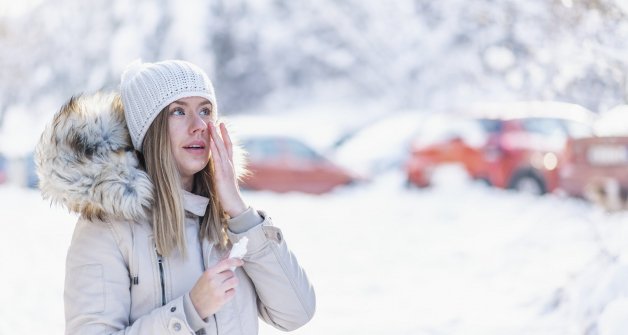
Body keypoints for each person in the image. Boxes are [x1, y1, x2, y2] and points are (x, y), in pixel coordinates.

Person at [36, 60, 316, 334]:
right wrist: (189, 311)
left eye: (205, 111)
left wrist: (240, 212)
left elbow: (296, 314)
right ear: (150, 130)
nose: (198, 125)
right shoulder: (107, 229)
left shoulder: (231, 223)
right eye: (178, 112)